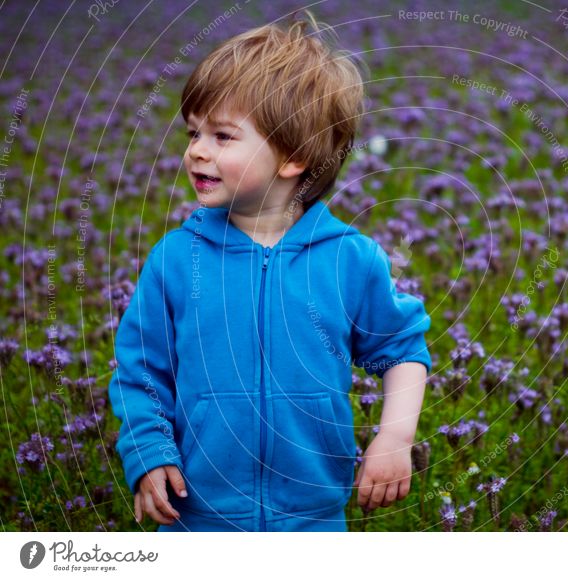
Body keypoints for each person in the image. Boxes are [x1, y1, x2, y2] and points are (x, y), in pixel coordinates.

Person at [108, 11, 432, 532]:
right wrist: (147, 451)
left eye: (223, 136)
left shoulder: (350, 259)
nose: (197, 150)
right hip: (198, 517)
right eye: (193, 132)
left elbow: (403, 350)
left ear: (294, 157)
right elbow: (141, 372)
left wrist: (394, 436)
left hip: (314, 518)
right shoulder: (175, 259)